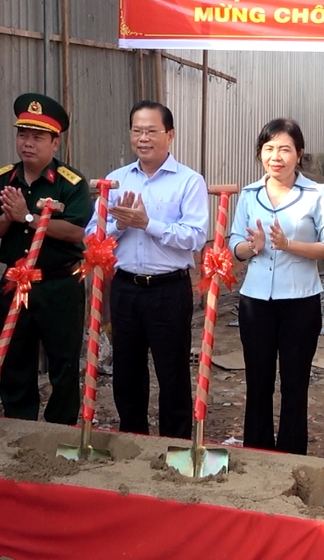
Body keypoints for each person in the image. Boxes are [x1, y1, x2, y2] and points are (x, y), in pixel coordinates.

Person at [93, 100, 208, 439]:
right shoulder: (114, 182)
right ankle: (133, 440)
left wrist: (148, 223)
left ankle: (175, 445)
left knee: (171, 372)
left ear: (169, 135)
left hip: (168, 290)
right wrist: (119, 225)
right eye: (137, 130)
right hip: (125, 288)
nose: (143, 138)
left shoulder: (188, 181)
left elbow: (195, 237)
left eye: (151, 131)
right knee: (127, 371)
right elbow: (91, 234)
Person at [0, 93, 92, 425]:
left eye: (38, 137)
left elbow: (75, 231)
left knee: (64, 361)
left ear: (55, 142)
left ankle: (61, 428)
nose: (28, 143)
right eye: (23, 135)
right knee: (15, 358)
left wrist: (27, 217)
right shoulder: (2, 179)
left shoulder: (72, 182)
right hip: (16, 281)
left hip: (60, 283)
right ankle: (19, 424)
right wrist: (10, 217)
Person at [229, 119, 324, 455]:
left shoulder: (316, 194)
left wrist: (289, 244)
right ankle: (256, 453)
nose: (276, 156)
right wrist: (253, 246)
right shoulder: (249, 195)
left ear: (299, 154)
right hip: (255, 302)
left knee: (295, 384)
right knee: (258, 382)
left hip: (300, 303)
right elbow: (235, 244)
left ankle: (291, 456)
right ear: (260, 153)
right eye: (269, 148)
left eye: (285, 149)